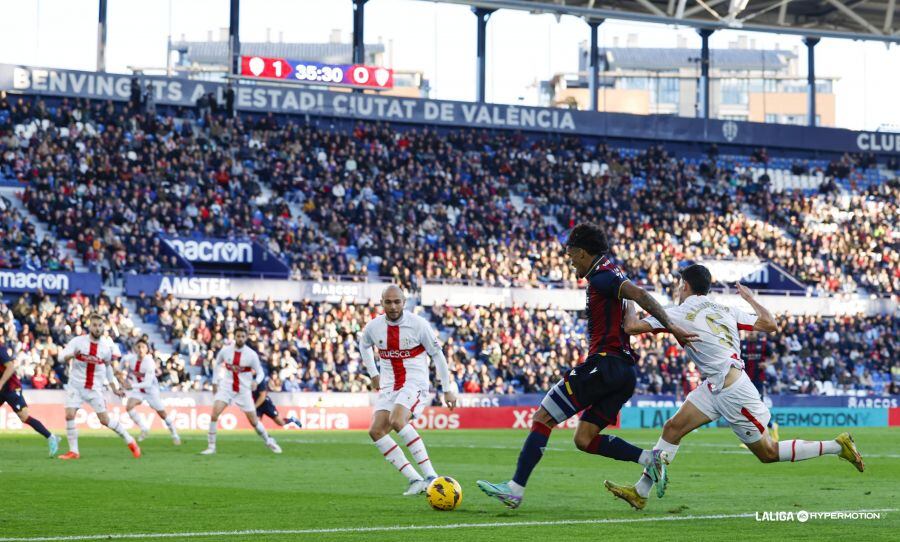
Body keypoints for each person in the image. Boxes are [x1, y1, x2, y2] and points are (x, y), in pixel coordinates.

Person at [477, 222, 699, 509]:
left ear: (582, 253)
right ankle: (650, 459)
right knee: (584, 438)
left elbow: (641, 295)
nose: (570, 263)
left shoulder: (602, 277)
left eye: (571, 256)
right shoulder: (613, 271)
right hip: (624, 373)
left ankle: (514, 489)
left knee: (543, 418)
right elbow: (629, 312)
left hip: (604, 366)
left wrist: (672, 327)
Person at [605, 264, 864, 510]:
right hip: (714, 385)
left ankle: (837, 445)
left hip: (733, 391)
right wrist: (750, 299)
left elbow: (631, 326)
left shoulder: (677, 312)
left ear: (684, 285)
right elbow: (770, 324)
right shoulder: (724, 309)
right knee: (672, 428)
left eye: (679, 285)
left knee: (768, 453)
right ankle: (640, 492)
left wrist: (627, 296)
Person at [358, 285, 458, 496]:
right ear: (382, 302)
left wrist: (447, 389)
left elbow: (438, 356)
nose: (393, 306)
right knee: (375, 431)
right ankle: (415, 479)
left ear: (404, 302)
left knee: (397, 419)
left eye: (397, 302)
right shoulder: (374, 327)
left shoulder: (419, 325)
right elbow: (363, 345)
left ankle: (431, 476)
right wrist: (373, 374)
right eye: (388, 302)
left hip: (415, 383)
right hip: (389, 385)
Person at [57, 314, 141, 460]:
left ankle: (130, 441)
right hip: (75, 386)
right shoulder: (78, 342)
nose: (97, 328)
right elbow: (60, 357)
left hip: (95, 388)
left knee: (104, 420)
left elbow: (108, 368)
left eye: (100, 325)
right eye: (94, 325)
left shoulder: (106, 347)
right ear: (89, 326)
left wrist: (114, 387)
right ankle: (74, 451)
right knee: (69, 415)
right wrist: (71, 356)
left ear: (103, 327)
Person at [200, 327, 281, 455]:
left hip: (243, 391)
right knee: (214, 414)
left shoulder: (251, 355)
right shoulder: (225, 351)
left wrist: (256, 381)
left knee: (254, 421)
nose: (240, 339)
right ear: (235, 337)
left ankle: (269, 440)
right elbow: (217, 364)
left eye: (243, 336)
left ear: (246, 337)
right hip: (226, 388)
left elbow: (260, 372)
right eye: (238, 336)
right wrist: (215, 382)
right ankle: (211, 447)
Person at [0, 336, 60, 456]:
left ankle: (51, 437)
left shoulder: (0, 349)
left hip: (11, 388)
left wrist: (1, 383)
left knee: (24, 417)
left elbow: (10, 367)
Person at [121, 340, 181, 445]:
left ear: (147, 349)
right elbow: (123, 369)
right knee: (129, 406)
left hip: (151, 391)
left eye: (143, 347)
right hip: (138, 390)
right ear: (135, 348)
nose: (140, 349)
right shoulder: (130, 360)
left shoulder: (149, 362)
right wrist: (121, 376)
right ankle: (144, 429)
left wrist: (131, 385)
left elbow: (147, 383)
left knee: (162, 414)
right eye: (138, 347)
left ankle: (174, 434)